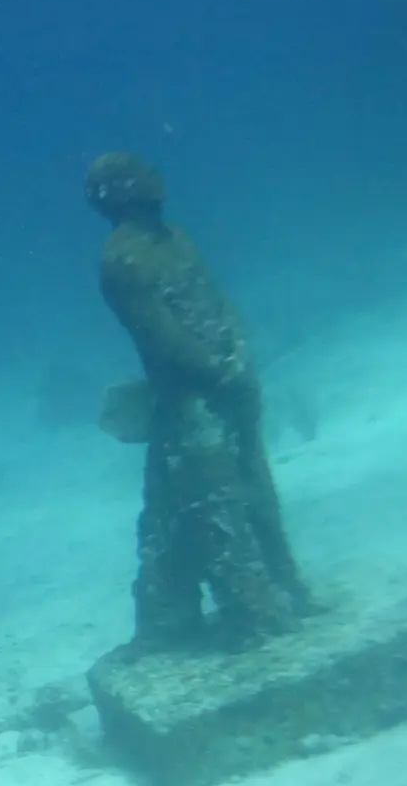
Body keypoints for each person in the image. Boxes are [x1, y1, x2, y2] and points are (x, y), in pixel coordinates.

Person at [86, 152, 310, 649]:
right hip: (190, 401)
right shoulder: (123, 260)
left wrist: (238, 352)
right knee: (217, 506)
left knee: (252, 489)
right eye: (140, 172)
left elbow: (215, 300)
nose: (156, 175)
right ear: (118, 192)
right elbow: (160, 336)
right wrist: (217, 369)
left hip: (228, 385)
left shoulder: (174, 239)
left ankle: (280, 587)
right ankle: (253, 613)